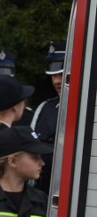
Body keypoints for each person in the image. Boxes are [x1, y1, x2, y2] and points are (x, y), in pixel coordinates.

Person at [32, 41, 66, 193]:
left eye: (62, 74)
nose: (57, 81)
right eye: (53, 75)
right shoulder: (45, 108)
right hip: (42, 195)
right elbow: (30, 152)